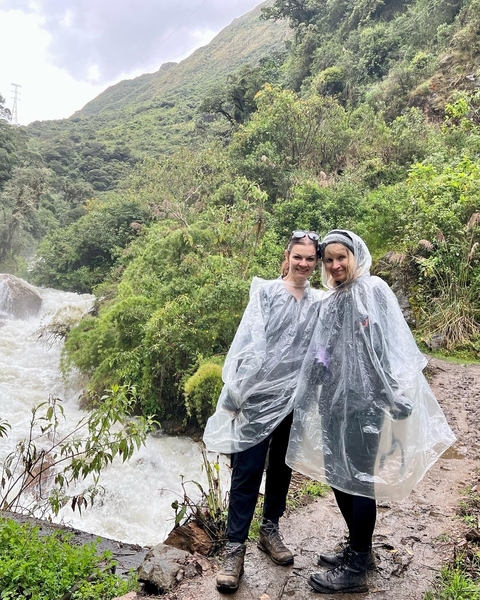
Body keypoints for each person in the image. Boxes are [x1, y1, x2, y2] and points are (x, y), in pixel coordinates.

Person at [286, 229, 456, 595]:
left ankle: (358, 564)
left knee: (360, 479)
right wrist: (311, 381)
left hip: (365, 404)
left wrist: (393, 391)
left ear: (355, 255)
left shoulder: (373, 289)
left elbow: (388, 343)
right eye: (328, 260)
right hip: (333, 401)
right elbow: (323, 351)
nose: (334, 265)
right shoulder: (332, 300)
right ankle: (356, 547)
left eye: (339, 257)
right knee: (338, 474)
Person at [203, 230, 323, 593]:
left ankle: (269, 528)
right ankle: (234, 548)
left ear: (316, 264)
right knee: (248, 469)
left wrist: (323, 375)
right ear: (287, 256)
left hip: (295, 399)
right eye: (298, 256)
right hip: (257, 397)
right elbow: (248, 343)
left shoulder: (319, 301)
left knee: (282, 466)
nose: (303, 263)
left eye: (310, 259)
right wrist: (235, 394)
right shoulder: (267, 293)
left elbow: (321, 348)